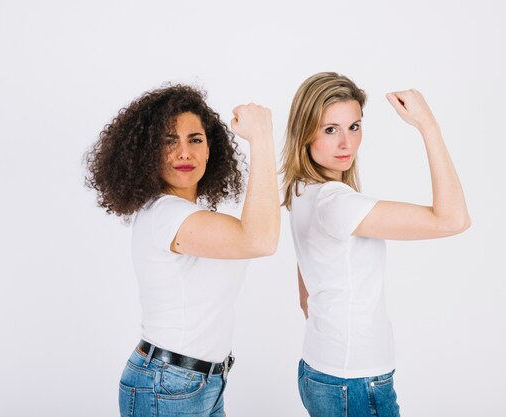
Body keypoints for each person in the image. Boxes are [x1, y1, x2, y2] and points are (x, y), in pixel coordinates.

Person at [281, 72, 471, 417]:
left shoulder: (301, 190)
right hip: (352, 380)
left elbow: (306, 295)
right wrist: (428, 126)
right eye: (330, 129)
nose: (346, 143)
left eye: (354, 127)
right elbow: (453, 219)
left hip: (319, 369)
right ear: (304, 131)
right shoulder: (336, 203)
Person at [85, 84, 280, 417]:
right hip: (168, 386)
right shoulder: (166, 214)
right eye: (168, 141)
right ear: (147, 153)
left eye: (195, 139)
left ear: (209, 150)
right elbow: (259, 240)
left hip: (196, 382)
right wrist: (261, 139)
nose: (185, 153)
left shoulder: (189, 215)